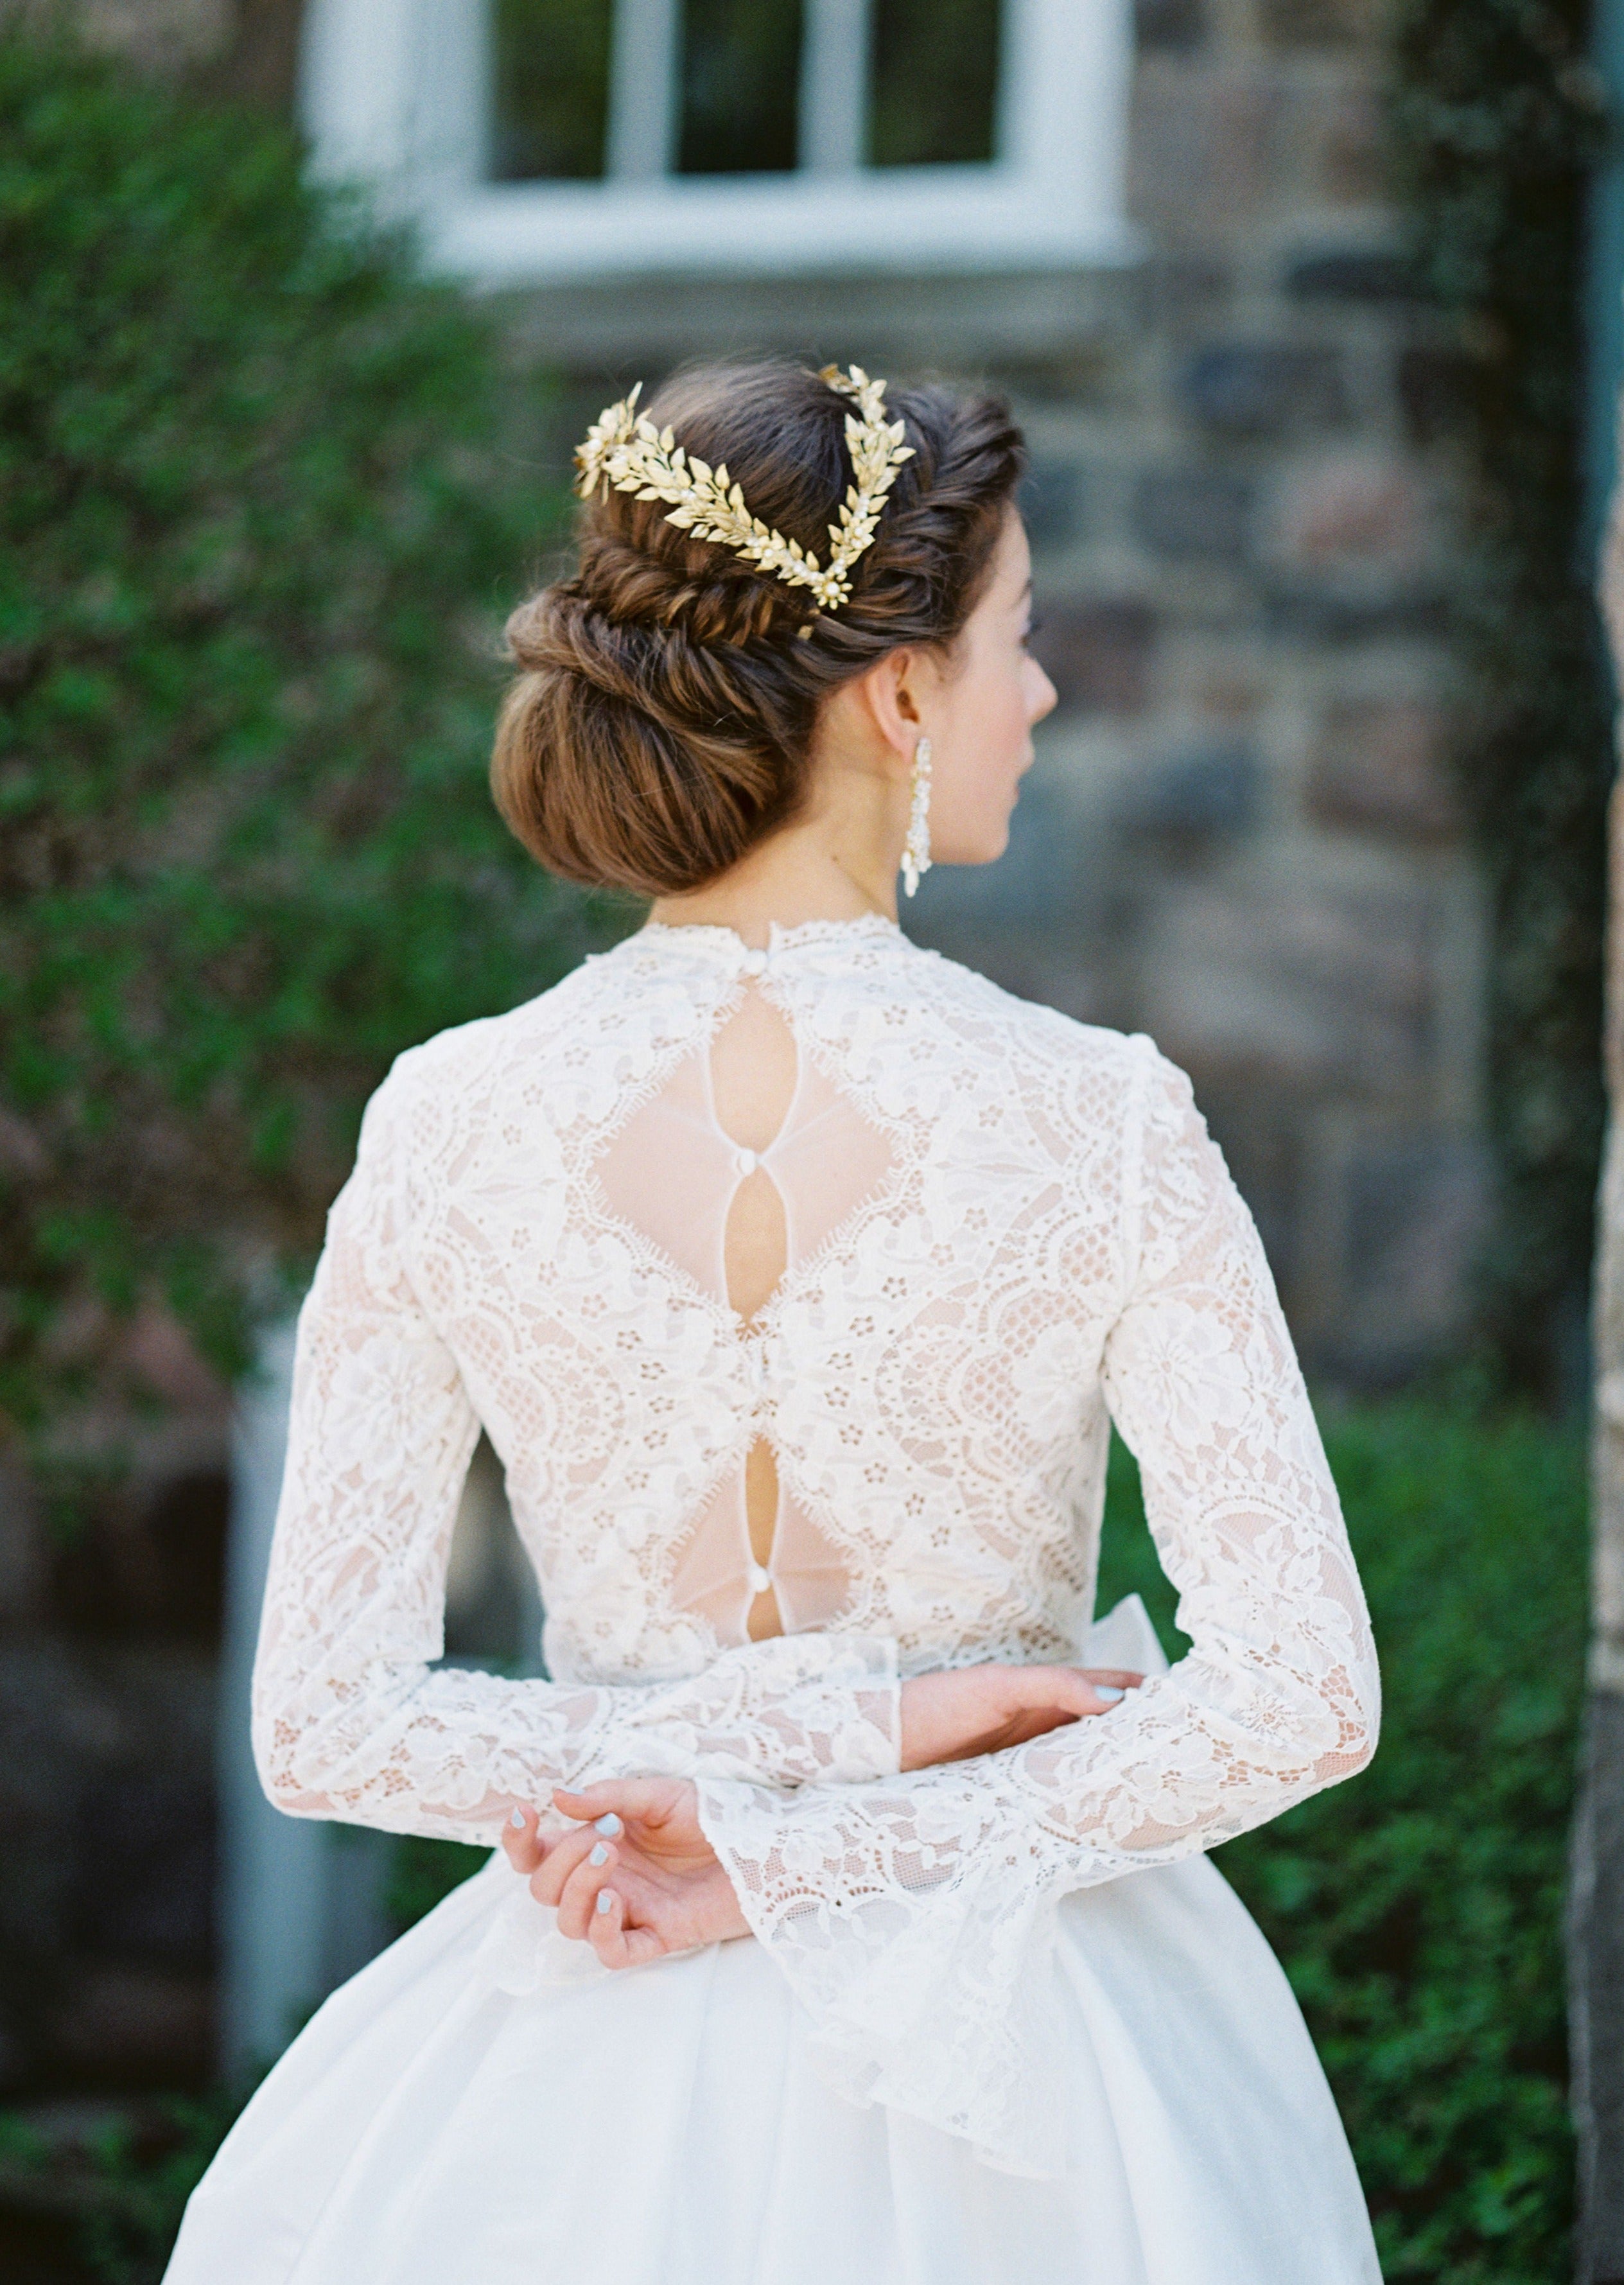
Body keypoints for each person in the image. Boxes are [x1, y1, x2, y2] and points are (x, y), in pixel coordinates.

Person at [165, 360, 1382, 2285]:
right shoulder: (1100, 1118)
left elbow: (330, 1728)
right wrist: (850, 1777)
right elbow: (1301, 1696)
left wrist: (748, 1803)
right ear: (900, 695)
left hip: (564, 2054)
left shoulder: (447, 1116)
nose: (1040, 696)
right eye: (1019, 640)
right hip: (1028, 2058)